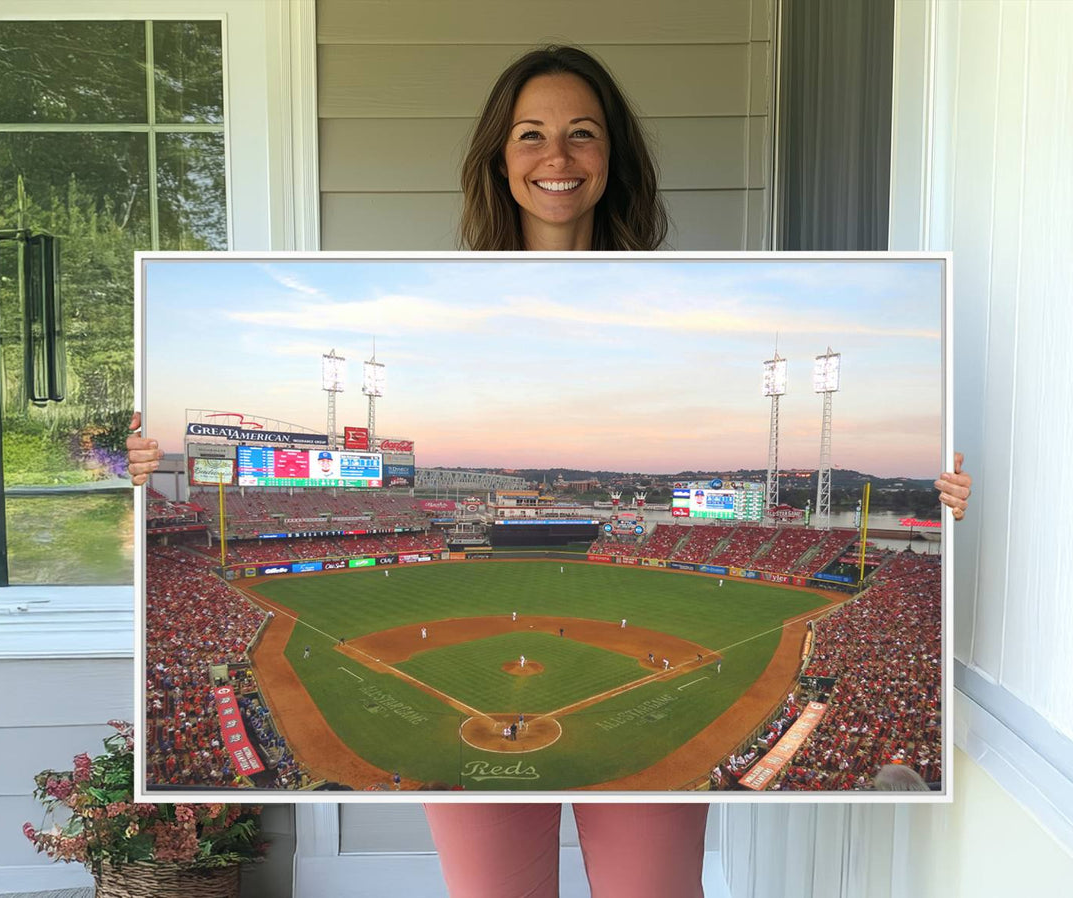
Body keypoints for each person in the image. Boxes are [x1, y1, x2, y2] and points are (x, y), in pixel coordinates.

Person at [125, 43, 972, 898]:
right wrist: (143, 473)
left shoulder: (675, 293)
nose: (556, 157)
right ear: (500, 156)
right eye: (530, 134)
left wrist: (943, 500)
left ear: (613, 157)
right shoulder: (438, 290)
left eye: (582, 134)